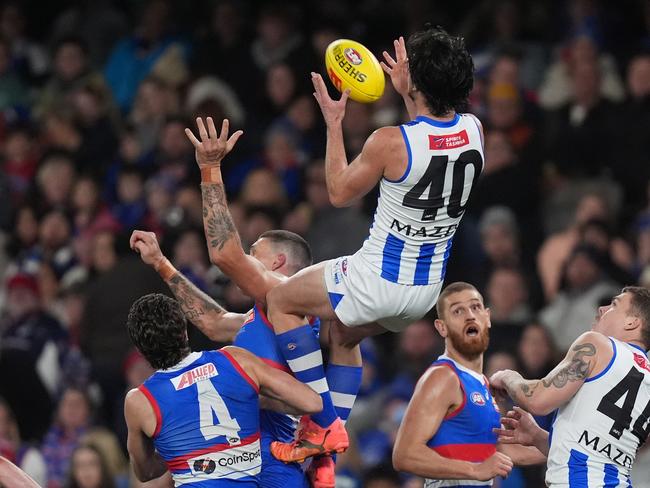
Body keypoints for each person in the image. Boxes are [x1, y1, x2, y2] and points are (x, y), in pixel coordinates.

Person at [186, 25, 483, 463]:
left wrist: (334, 122)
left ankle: (322, 422)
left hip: (378, 277)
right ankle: (326, 452)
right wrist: (409, 91)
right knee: (342, 335)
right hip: (423, 295)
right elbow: (432, 135)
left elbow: (339, 192)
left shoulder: (388, 141)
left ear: (416, 82)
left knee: (283, 300)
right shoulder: (475, 130)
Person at [130, 229, 362, 487]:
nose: (245, 261)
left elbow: (313, 398)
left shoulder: (288, 306)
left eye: (253, 253)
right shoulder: (258, 319)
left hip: (275, 447)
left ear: (277, 263)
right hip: (256, 448)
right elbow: (213, 322)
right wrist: (161, 264)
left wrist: (244, 395)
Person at [123, 293, 322, 486]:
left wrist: (181, 451)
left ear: (140, 351)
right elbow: (311, 402)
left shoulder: (139, 401)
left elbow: (145, 472)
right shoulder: (236, 360)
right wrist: (254, 400)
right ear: (184, 331)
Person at [490, 286, 650, 486]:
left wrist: (507, 376)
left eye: (614, 304)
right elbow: (595, 453)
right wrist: (538, 437)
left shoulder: (596, 345)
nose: (602, 308)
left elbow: (538, 400)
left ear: (632, 322)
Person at [391, 282, 544, 486]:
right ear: (442, 327)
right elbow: (404, 455)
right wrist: (475, 469)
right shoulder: (443, 377)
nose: (470, 315)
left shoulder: (481, 383)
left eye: (475, 307)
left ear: (487, 317)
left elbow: (500, 452)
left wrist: (563, 443)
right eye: (458, 311)